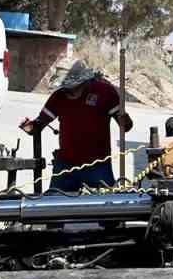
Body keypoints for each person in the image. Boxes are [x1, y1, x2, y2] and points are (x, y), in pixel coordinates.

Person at [21, 60, 133, 194]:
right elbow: (38, 126)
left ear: (84, 82)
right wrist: (29, 127)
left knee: (105, 206)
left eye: (72, 88)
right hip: (66, 165)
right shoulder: (59, 96)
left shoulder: (105, 92)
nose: (67, 92)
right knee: (53, 202)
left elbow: (126, 127)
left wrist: (124, 119)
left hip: (98, 165)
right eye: (65, 89)